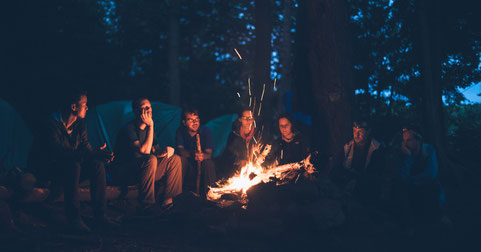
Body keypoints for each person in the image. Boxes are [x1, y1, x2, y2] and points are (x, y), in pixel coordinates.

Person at [27, 89, 115, 233]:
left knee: (97, 164)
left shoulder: (80, 124)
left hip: (71, 169)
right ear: (74, 107)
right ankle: (74, 219)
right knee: (73, 165)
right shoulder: (50, 125)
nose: (87, 107)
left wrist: (96, 154)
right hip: (49, 170)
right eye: (84, 104)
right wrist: (90, 154)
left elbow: (85, 147)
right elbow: (58, 153)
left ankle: (100, 215)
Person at [113, 97, 182, 212]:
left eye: (149, 107)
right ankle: (147, 204)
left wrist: (166, 151)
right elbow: (144, 151)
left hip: (146, 171)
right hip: (128, 172)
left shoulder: (149, 130)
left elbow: (155, 150)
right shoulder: (129, 129)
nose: (148, 110)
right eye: (143, 108)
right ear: (136, 111)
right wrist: (151, 126)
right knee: (150, 159)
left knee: (174, 159)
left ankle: (169, 201)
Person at [393, 126, 446, 227]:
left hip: (425, 185)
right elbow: (402, 177)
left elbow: (431, 173)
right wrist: (407, 158)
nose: (404, 144)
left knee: (433, 187)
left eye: (408, 140)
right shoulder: (403, 153)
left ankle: (439, 216)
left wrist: (412, 180)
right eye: (404, 141)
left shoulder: (428, 150)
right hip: (410, 188)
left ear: (418, 140)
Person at [331, 120, 385, 203]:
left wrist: (357, 181)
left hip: (365, 185)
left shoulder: (376, 148)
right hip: (347, 179)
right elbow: (338, 165)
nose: (356, 135)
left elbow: (375, 173)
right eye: (354, 131)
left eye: (360, 132)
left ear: (368, 132)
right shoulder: (348, 145)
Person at [175, 107, 216, 196]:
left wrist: (202, 156)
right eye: (191, 120)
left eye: (196, 119)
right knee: (180, 160)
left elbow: (209, 154)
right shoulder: (180, 131)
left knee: (209, 163)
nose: (195, 122)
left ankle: (211, 195)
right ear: (184, 122)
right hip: (188, 163)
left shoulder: (206, 131)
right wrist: (192, 154)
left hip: (202, 163)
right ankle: (178, 195)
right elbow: (180, 150)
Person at [219, 108, 265, 178]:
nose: (248, 121)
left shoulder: (258, 135)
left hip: (255, 171)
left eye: (250, 118)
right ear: (240, 119)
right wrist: (239, 161)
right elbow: (228, 155)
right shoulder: (234, 135)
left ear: (253, 120)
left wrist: (258, 154)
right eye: (245, 118)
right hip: (237, 171)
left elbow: (265, 153)